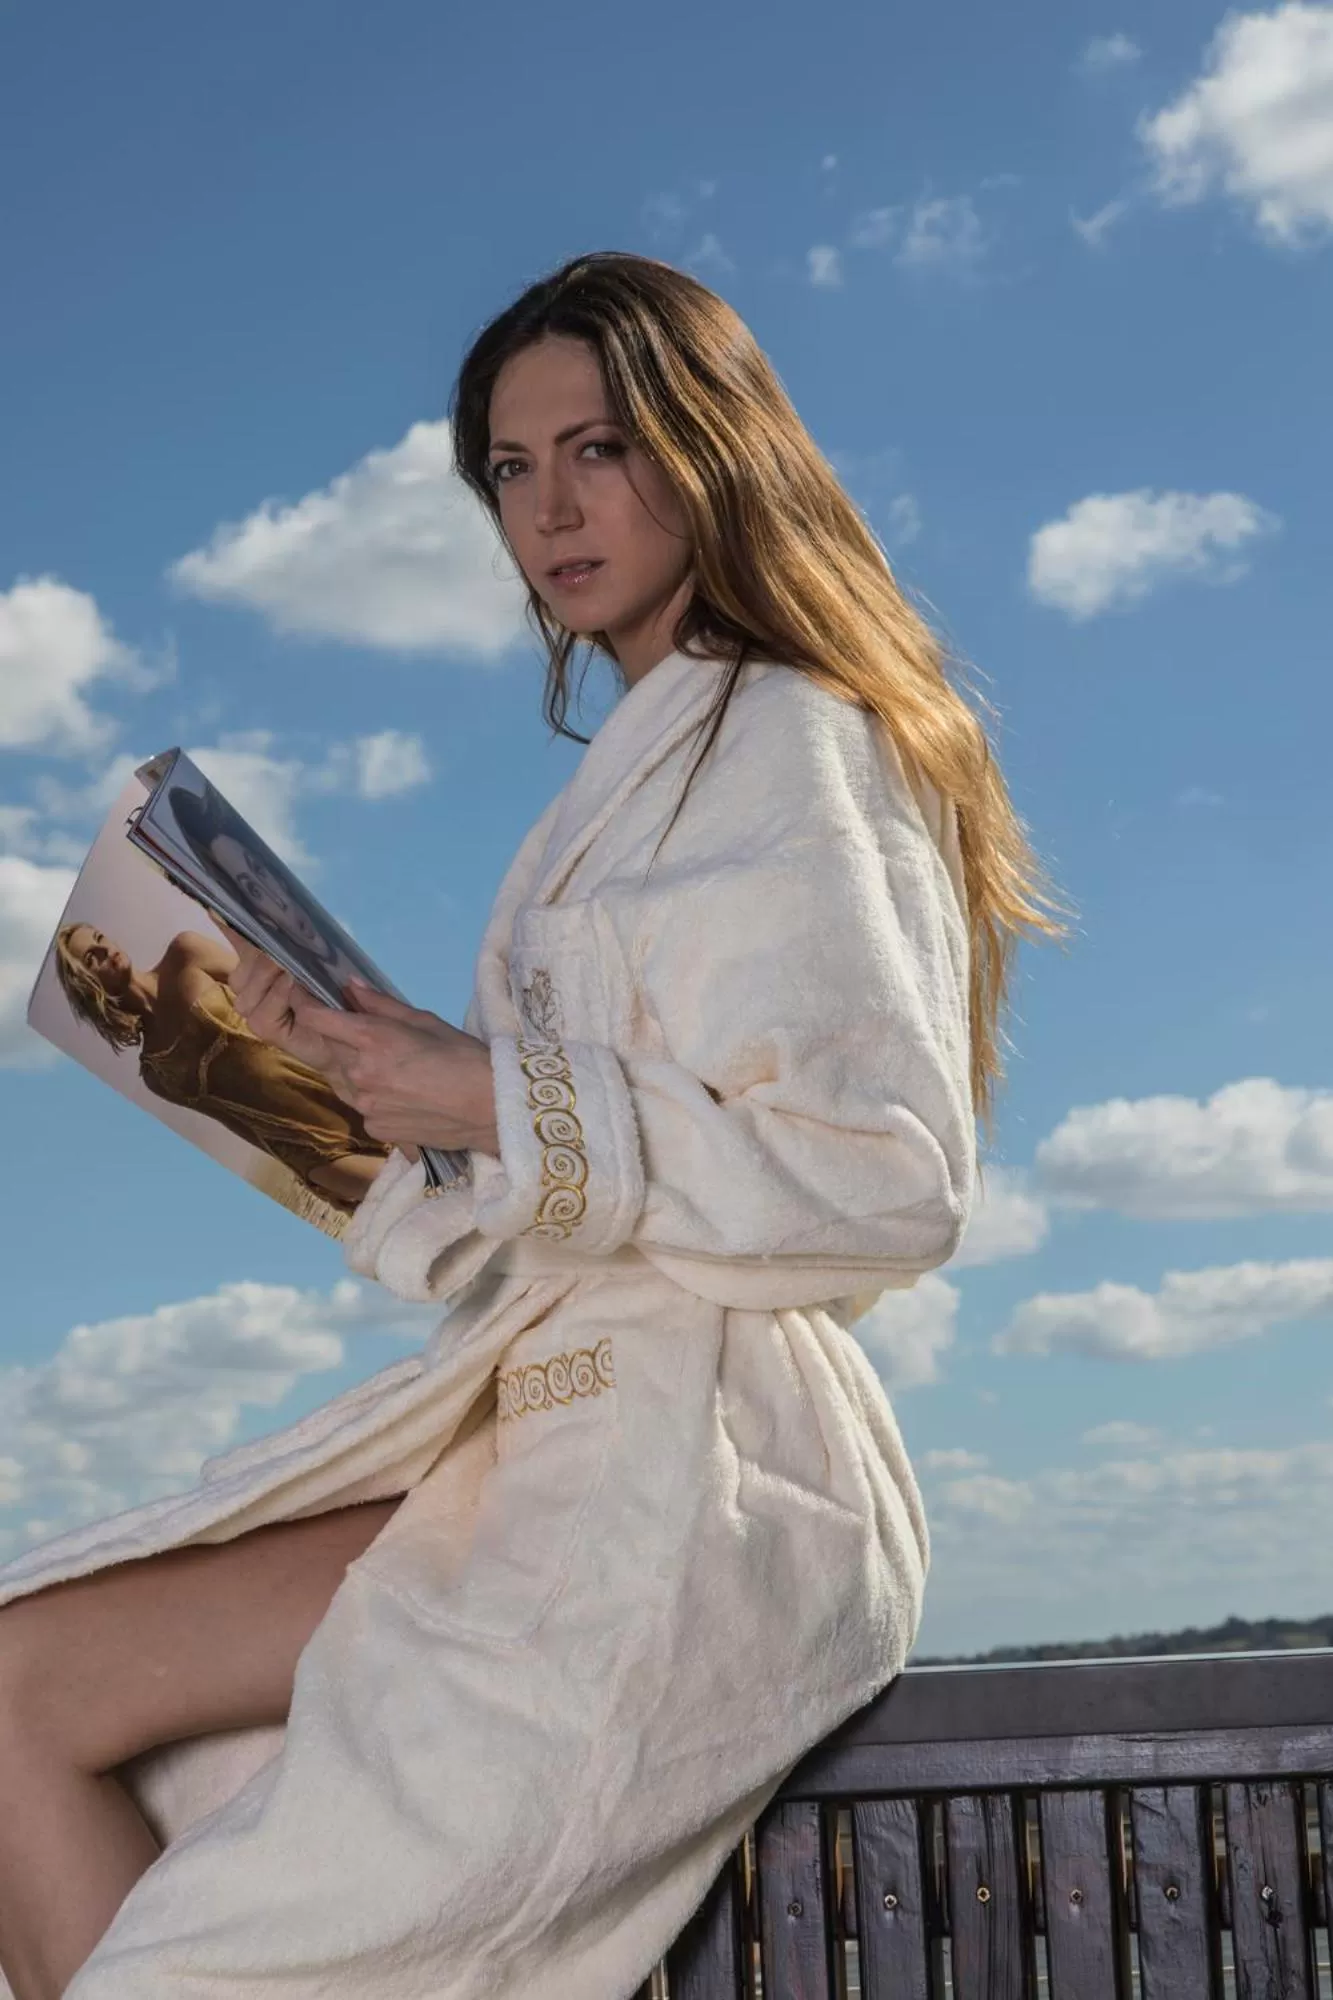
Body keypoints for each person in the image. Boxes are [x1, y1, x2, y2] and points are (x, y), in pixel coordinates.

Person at [0, 251, 1068, 2000]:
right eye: (511, 468)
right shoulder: (626, 777)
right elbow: (557, 1166)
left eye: (599, 449)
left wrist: (490, 1093)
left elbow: (886, 1179)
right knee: (21, 1687)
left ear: (712, 451)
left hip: (688, 1481)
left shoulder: (797, 738)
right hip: (529, 1436)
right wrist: (329, 1083)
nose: (550, 510)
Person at [52, 920, 392, 1212]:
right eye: (91, 958)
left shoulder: (185, 955)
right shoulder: (156, 1074)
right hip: (313, 1151)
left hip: (330, 1077)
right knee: (406, 1192)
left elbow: (282, 995)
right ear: (88, 987)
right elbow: (239, 1124)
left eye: (99, 937)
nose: (104, 949)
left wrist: (351, 1041)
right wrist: (309, 1175)